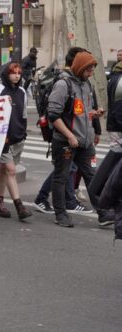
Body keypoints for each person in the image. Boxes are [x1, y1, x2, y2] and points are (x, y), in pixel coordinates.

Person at [46, 51, 104, 228]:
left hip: (85, 142)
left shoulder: (87, 85)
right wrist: (70, 136)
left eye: (93, 69)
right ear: (79, 67)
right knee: (61, 177)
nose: (91, 73)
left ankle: (103, 212)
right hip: (66, 141)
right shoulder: (63, 85)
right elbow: (53, 115)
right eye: (88, 69)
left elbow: (84, 111)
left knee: (92, 177)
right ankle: (60, 214)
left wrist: (95, 117)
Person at [0, 63, 33, 220]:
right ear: (6, 74)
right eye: (13, 73)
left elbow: (24, 114)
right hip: (2, 139)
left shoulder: (22, 92)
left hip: (17, 137)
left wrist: (23, 133)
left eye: (19, 73)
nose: (16, 76)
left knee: (4, 171)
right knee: (11, 170)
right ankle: (19, 206)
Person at [106, 59, 122, 145]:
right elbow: (119, 108)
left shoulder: (114, 78)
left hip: (114, 126)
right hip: (117, 128)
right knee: (117, 155)